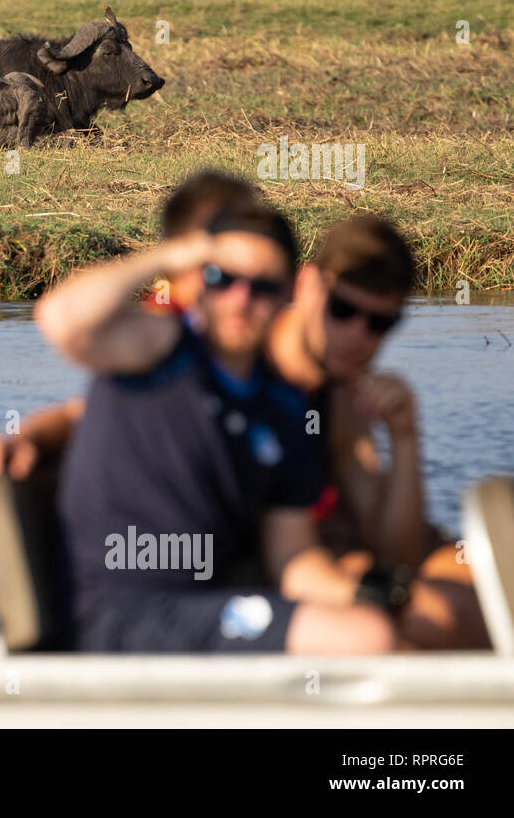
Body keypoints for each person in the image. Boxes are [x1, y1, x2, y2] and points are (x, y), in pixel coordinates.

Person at [38, 201, 397, 653]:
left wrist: (374, 595)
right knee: (369, 638)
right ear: (197, 282)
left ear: (290, 293)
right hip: (118, 615)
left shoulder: (284, 407)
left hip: (204, 605)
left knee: (377, 625)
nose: (241, 301)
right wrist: (169, 256)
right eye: (223, 279)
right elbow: (61, 319)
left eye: (263, 288)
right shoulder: (162, 349)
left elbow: (294, 558)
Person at [0, 168, 258, 486]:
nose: (244, 286)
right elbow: (62, 319)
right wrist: (27, 437)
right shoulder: (163, 331)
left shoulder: (255, 331)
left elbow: (80, 413)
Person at [266, 215, 487, 648]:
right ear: (308, 284)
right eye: (343, 310)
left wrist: (405, 433)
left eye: (379, 323)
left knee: (482, 578)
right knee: (440, 611)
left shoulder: (341, 390)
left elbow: (395, 550)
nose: (357, 335)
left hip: (347, 563)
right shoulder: (253, 369)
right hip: (288, 575)